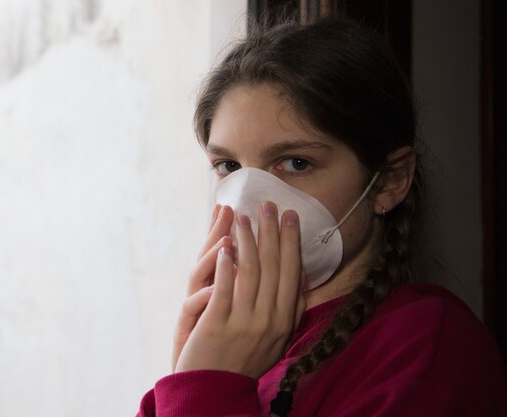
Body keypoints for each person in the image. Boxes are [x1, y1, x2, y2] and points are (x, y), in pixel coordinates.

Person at [136, 17, 507, 417]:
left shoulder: (429, 352)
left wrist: (208, 385)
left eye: (295, 162)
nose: (248, 197)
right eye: (228, 166)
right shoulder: (236, 338)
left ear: (389, 181)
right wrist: (192, 374)